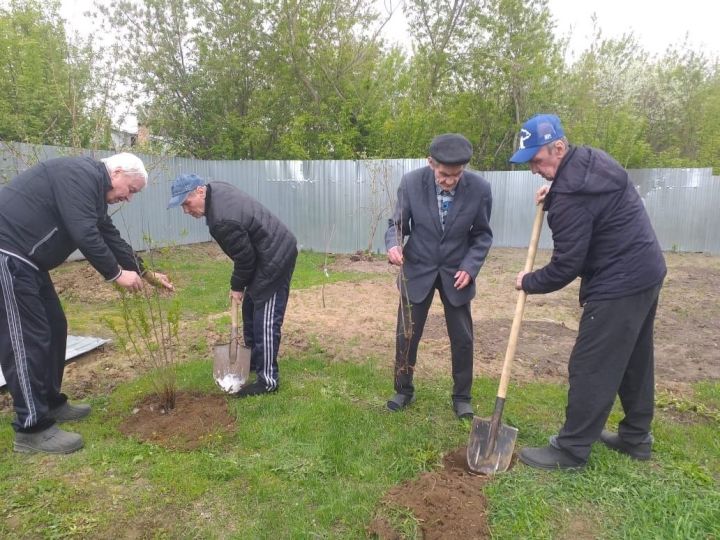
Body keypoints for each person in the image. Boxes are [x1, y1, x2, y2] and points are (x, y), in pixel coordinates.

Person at [509, 114, 666, 470]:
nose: (534, 169)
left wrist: (528, 281)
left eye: (537, 160)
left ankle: (571, 449)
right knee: (635, 358)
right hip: (647, 270)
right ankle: (636, 437)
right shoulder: (594, 161)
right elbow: (586, 200)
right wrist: (556, 188)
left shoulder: (569, 197)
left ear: (559, 147)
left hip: (619, 282)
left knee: (591, 365)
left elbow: (567, 266)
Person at [0, 153, 173, 455]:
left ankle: (50, 402)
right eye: (130, 190)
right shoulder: (77, 174)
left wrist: (145, 272)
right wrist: (116, 274)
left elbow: (108, 235)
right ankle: (31, 428)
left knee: (55, 327)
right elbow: (85, 232)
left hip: (28, 262)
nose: (128, 198)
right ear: (117, 172)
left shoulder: (91, 190)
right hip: (8, 254)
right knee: (26, 340)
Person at [384, 134, 493, 419]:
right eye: (444, 174)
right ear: (431, 163)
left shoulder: (480, 189)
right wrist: (393, 244)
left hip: (457, 273)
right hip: (417, 269)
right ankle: (403, 389)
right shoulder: (410, 183)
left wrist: (470, 267)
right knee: (406, 334)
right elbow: (397, 225)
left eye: (456, 175)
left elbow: (482, 235)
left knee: (462, 338)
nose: (449, 180)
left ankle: (462, 397)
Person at [168, 174, 297, 397]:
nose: (186, 211)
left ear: (200, 191)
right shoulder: (216, 189)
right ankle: (255, 362)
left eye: (186, 204)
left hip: (275, 255)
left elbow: (244, 258)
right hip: (262, 252)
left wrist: (237, 286)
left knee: (264, 318)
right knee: (249, 309)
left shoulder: (221, 220)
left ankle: (268, 381)